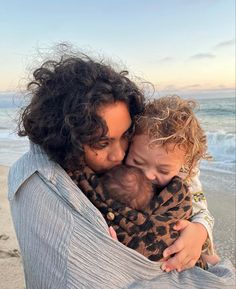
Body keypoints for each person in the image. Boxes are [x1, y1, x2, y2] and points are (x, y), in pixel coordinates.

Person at [8, 49, 235, 288]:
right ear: (67, 139)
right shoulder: (51, 184)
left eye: (125, 135)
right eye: (101, 142)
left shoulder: (151, 157)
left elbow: (193, 194)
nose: (119, 155)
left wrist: (200, 229)